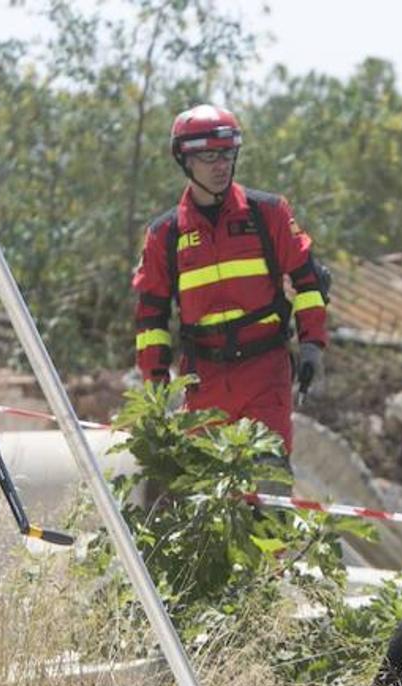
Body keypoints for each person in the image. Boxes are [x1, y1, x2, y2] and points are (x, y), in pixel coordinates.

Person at [131, 104, 330, 455]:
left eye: (226, 154)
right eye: (209, 156)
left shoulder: (268, 212)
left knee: (267, 490)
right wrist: (156, 390)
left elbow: (308, 280)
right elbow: (151, 318)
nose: (221, 165)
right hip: (203, 380)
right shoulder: (165, 234)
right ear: (185, 160)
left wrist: (312, 345)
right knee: (209, 496)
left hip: (266, 374)